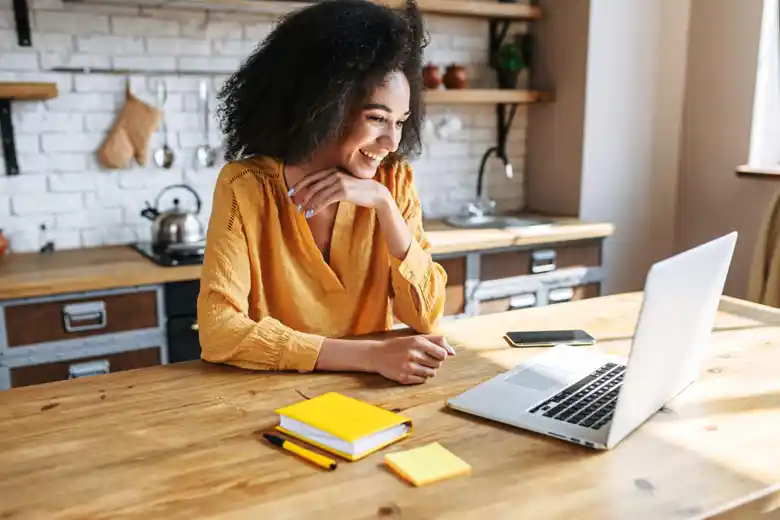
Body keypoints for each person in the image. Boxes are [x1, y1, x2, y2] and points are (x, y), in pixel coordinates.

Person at [197, 0, 454, 385]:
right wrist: (370, 356)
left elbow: (426, 317)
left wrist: (384, 205)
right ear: (322, 106)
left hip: (374, 396)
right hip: (272, 398)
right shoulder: (245, 186)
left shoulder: (394, 182)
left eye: (400, 122)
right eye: (377, 118)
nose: (390, 140)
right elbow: (218, 333)